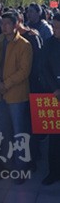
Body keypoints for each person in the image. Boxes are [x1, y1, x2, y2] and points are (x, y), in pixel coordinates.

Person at [0, 11, 33, 177]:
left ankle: (21, 167)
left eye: (8, 23)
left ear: (16, 25)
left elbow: (24, 71)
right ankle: (7, 165)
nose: (4, 27)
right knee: (3, 132)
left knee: (19, 133)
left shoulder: (24, 45)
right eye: (2, 23)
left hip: (16, 95)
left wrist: (5, 84)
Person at [41, 12, 60, 185]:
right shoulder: (48, 43)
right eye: (53, 26)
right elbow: (44, 68)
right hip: (53, 95)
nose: (55, 30)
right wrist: (54, 88)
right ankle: (53, 171)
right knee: (54, 137)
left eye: (58, 27)